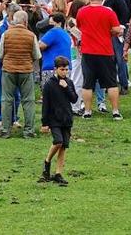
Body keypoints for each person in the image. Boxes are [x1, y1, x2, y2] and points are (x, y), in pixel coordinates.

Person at [76, 0, 124, 120]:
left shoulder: (81, 12)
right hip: (105, 51)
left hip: (87, 51)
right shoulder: (108, 12)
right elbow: (117, 29)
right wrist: (109, 33)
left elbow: (79, 27)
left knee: (87, 83)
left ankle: (87, 111)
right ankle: (115, 111)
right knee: (111, 83)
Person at [0, 10, 40, 138]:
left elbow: (0, 54)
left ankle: (5, 130)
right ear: (26, 22)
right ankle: (29, 131)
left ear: (14, 21)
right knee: (28, 101)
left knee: (6, 99)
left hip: (8, 70)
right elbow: (37, 55)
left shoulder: (6, 34)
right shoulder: (31, 35)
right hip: (26, 70)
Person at [40, 56, 78, 185]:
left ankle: (58, 173)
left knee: (64, 147)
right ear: (55, 69)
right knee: (58, 141)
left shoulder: (69, 82)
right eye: (62, 69)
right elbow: (46, 104)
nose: (65, 72)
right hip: (54, 119)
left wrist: (66, 87)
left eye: (66, 70)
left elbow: (74, 99)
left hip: (66, 119)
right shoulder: (49, 84)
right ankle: (47, 161)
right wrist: (45, 123)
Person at [105, 0, 131, 91]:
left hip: (119, 29)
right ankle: (121, 80)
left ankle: (123, 83)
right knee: (115, 57)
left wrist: (122, 25)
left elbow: (127, 11)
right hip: (115, 28)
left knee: (120, 56)